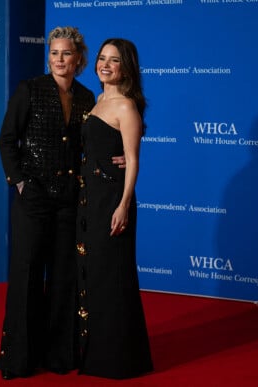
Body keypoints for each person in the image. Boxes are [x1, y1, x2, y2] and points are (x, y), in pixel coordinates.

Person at [0, 27, 124, 380]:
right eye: (54, 53)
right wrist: (20, 183)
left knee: (65, 280)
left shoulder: (88, 98)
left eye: (66, 53)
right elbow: (7, 140)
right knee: (26, 277)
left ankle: (58, 356)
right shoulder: (30, 90)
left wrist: (123, 155)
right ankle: (18, 360)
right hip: (33, 199)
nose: (59, 59)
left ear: (79, 59)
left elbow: (106, 136)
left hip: (71, 201)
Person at [75, 38, 153, 379]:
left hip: (112, 199)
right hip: (89, 196)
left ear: (126, 67)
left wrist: (123, 205)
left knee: (113, 277)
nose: (105, 65)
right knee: (94, 276)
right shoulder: (98, 99)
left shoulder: (125, 106)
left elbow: (133, 161)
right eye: (102, 58)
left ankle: (120, 358)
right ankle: (94, 351)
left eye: (114, 60)